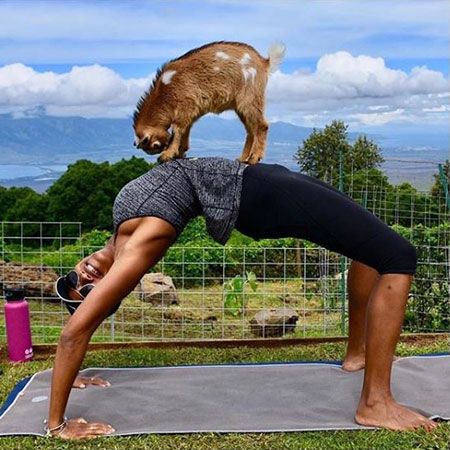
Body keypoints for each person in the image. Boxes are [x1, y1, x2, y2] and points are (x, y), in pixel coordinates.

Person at [49, 156, 437, 439]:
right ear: (116, 289)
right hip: (261, 198)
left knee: (369, 245)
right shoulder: (146, 237)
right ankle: (375, 403)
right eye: (86, 293)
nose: (82, 277)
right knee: (398, 255)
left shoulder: (121, 224)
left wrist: (72, 375)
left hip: (259, 179)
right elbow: (74, 334)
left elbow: (77, 334)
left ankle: (359, 356)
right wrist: (57, 425)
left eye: (72, 278)